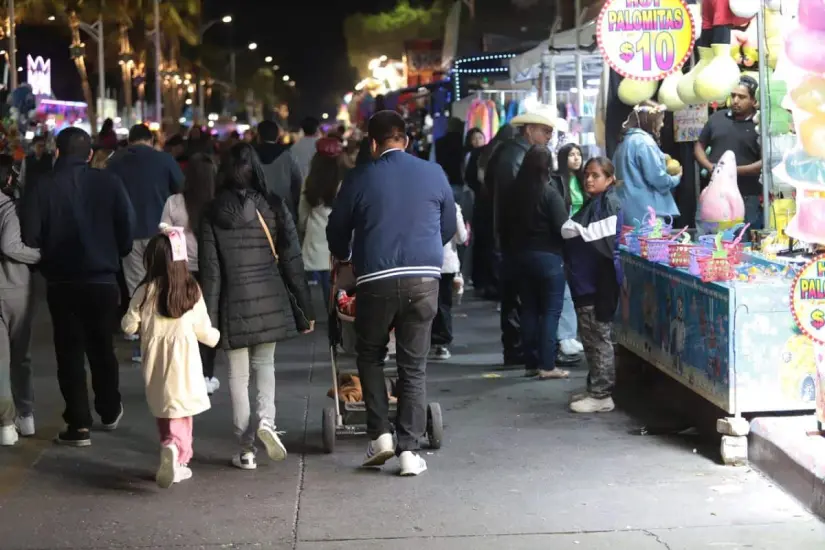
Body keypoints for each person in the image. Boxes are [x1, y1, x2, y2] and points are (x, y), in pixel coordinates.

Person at [326, 110, 457, 476]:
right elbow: (447, 225)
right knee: (413, 365)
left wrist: (347, 254)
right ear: (408, 140)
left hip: (376, 280)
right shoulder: (433, 172)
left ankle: (380, 435)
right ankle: (410, 453)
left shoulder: (359, 177)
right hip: (425, 279)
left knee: (369, 353)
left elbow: (337, 229)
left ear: (372, 143)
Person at [200, 142, 315, 471]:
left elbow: (211, 272)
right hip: (270, 297)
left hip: (231, 303)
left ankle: (245, 448)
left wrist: (208, 321)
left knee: (237, 375)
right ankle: (266, 423)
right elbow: (291, 260)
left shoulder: (211, 212)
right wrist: (306, 310)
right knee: (265, 365)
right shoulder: (275, 206)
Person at [20, 127, 135, 446]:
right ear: (88, 154)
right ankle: (109, 410)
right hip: (102, 279)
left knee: (69, 353)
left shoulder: (42, 186)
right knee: (102, 348)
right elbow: (127, 226)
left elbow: (30, 235)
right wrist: (116, 252)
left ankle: (79, 424)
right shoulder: (108, 182)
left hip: (62, 281)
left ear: (57, 151)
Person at [121, 229, 220, 488]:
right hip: (184, 364)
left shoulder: (146, 291)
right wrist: (216, 337)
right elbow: (204, 331)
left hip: (155, 363)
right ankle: (177, 456)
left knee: (165, 410)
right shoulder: (191, 290)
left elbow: (128, 326)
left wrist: (133, 319)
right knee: (182, 414)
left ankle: (168, 447)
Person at [491, 106, 559, 366]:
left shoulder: (518, 153)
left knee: (522, 300)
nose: (549, 137)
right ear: (529, 131)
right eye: (545, 131)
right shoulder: (514, 157)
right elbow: (512, 204)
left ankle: (521, 349)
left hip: (515, 239)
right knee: (517, 298)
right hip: (514, 240)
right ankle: (517, 350)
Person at [500, 146, 570, 380]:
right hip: (549, 259)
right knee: (550, 312)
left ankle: (530, 363)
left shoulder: (511, 193)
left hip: (520, 258)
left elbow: (502, 227)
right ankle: (547, 365)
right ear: (547, 166)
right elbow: (562, 227)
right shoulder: (549, 194)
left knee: (528, 309)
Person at [561, 157, 623, 413]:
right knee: (590, 337)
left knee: (598, 339)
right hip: (585, 283)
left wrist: (573, 229)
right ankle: (594, 385)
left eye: (596, 175)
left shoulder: (609, 203)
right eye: (586, 174)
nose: (588, 179)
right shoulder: (596, 202)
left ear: (609, 179)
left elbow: (602, 238)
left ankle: (601, 394)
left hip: (598, 284)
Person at [161, 153, 219, 394]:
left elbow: (163, 230)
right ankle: (206, 375)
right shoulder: (218, 203)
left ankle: (183, 375)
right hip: (211, 270)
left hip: (180, 269)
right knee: (207, 322)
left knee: (181, 322)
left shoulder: (174, 202)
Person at [107, 123, 185, 299]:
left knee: (136, 284)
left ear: (129, 141)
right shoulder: (165, 160)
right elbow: (182, 189)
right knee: (163, 280)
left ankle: (142, 322)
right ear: (151, 140)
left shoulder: (114, 162)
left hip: (128, 233)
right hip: (161, 230)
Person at [0, 154, 40, 446]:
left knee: (0, 362)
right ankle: (25, 416)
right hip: (16, 290)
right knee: (20, 358)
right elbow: (10, 245)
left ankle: (5, 425)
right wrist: (40, 254)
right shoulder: (9, 207)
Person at [694, 75, 763, 229]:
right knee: (706, 237)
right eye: (733, 96)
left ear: (754, 101)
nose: (736, 100)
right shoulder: (717, 118)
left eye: (742, 97)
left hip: (746, 195)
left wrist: (730, 171)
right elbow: (699, 145)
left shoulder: (760, 125)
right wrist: (711, 167)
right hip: (713, 192)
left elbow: (765, 161)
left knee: (740, 240)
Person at [613, 101, 681, 224]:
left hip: (625, 209)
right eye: (660, 120)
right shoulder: (644, 142)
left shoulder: (624, 141)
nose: (662, 124)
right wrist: (676, 178)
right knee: (651, 243)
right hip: (646, 213)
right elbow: (657, 178)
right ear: (650, 120)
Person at [298, 138, 342, 308]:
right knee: (333, 277)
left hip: (315, 234)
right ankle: (333, 310)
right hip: (336, 235)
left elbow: (302, 215)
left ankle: (312, 311)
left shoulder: (310, 182)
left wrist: (303, 229)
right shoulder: (341, 183)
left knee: (320, 273)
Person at [552, 143, 586, 361]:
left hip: (582, 237)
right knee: (564, 287)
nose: (576, 158)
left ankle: (571, 334)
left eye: (578, 154)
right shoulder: (558, 181)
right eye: (571, 154)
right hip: (565, 237)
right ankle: (565, 335)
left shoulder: (584, 180)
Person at [431, 204, 469, 361]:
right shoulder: (452, 208)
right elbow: (461, 237)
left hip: (423, 261)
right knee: (443, 304)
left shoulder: (420, 202)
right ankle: (441, 343)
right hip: (446, 263)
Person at [256, 120, 303, 223]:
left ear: (258, 136)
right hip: (285, 209)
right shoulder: (287, 155)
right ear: (277, 136)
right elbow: (297, 183)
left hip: (257, 212)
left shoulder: (250, 155)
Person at [291, 117, 322, 181]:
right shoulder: (320, 145)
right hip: (315, 182)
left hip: (299, 182)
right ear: (317, 129)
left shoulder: (294, 146)